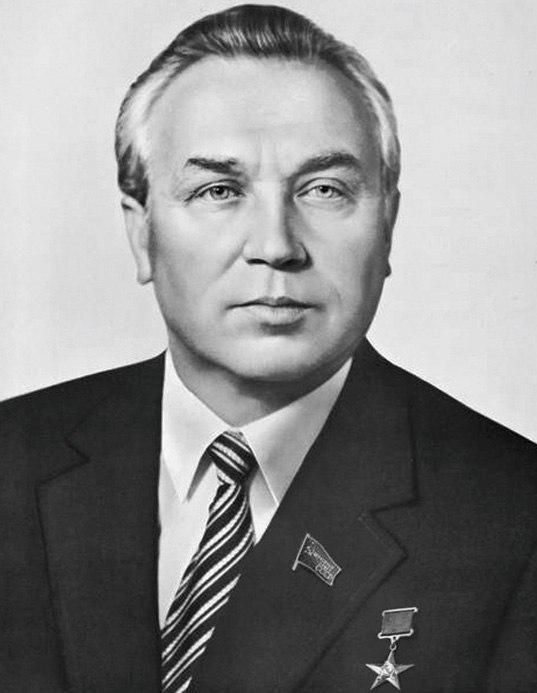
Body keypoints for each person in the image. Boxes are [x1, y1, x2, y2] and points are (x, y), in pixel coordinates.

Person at [0, 4, 535, 692]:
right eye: (219, 190)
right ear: (141, 233)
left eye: (324, 189)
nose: (276, 245)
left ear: (387, 224)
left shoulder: (514, 515)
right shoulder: (12, 461)